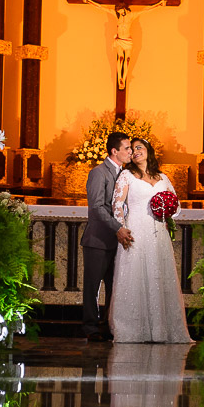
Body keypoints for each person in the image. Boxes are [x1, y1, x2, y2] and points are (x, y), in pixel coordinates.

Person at [109, 139, 192, 343]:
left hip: (158, 233)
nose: (136, 151)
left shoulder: (162, 178)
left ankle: (161, 329)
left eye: (140, 148)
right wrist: (122, 228)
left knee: (158, 276)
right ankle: (132, 329)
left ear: (148, 151)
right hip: (135, 230)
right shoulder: (127, 176)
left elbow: (177, 205)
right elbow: (117, 204)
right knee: (135, 275)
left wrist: (168, 212)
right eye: (133, 149)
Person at [81, 132, 135, 342]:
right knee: (93, 286)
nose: (131, 152)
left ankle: (108, 324)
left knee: (115, 286)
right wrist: (118, 227)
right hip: (98, 240)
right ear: (115, 151)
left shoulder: (124, 173)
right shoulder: (98, 173)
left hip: (117, 241)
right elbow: (96, 208)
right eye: (127, 148)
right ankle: (90, 327)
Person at [81, 0, 166, 90]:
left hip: (128, 40)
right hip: (119, 40)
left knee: (127, 60)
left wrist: (159, 4)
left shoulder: (131, 15)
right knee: (120, 58)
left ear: (123, 8)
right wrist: (88, 1)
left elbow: (146, 10)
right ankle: (119, 79)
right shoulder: (117, 15)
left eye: (119, 11)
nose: (119, 13)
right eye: (117, 11)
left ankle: (124, 78)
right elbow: (102, 7)